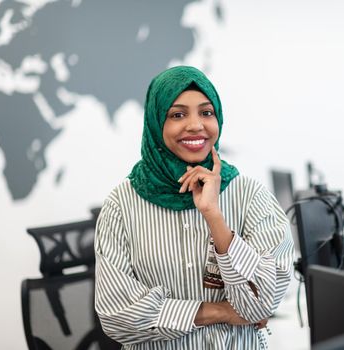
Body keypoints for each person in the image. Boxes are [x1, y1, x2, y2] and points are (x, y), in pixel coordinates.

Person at [94, 66, 295, 349]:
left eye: (206, 112)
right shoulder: (121, 205)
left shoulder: (250, 196)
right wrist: (218, 311)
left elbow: (261, 303)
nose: (196, 125)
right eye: (177, 115)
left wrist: (215, 218)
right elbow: (117, 317)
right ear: (155, 122)